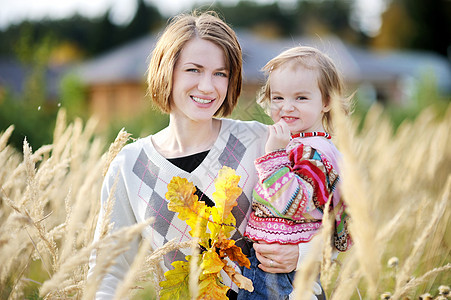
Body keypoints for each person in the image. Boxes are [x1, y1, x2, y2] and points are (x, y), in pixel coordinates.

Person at [88, 11, 299, 299]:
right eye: (193, 70)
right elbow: (107, 272)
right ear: (167, 70)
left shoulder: (261, 141)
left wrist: (302, 252)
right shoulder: (131, 165)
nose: (207, 86)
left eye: (220, 74)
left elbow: (327, 213)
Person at [237, 46, 352, 300]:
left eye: (300, 98)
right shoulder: (301, 144)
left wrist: (273, 157)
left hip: (281, 274)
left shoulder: (313, 154)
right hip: (272, 265)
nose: (286, 107)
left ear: (326, 102)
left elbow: (292, 203)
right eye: (278, 98)